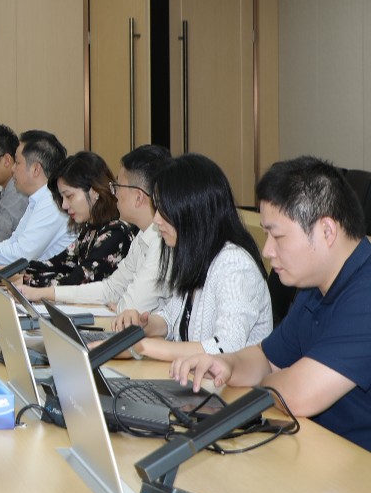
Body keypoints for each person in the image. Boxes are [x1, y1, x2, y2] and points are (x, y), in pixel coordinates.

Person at [172, 157, 371, 472]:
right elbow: (266, 358)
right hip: (336, 460)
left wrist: (264, 381)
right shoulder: (315, 289)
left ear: (326, 231)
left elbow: (296, 396)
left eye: (278, 236)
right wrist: (227, 363)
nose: (267, 250)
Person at [114, 153, 271, 360]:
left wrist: (144, 347)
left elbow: (226, 347)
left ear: (192, 211)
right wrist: (145, 324)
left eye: (164, 209)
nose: (156, 219)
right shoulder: (196, 255)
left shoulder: (234, 265)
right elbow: (172, 317)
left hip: (232, 381)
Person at [19, 144, 173, 313]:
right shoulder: (142, 237)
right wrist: (44, 293)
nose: (114, 193)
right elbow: (110, 289)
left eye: (118, 187)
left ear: (138, 197)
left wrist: (118, 305)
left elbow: (131, 307)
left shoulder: (160, 244)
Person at [10, 151, 135, 289]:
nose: (64, 205)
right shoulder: (90, 229)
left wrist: (27, 280)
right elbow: (57, 264)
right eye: (62, 197)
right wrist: (12, 271)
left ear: (94, 191)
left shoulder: (117, 233)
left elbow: (76, 282)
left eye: (69, 196)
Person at [0, 129, 73, 267]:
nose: (12, 169)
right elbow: (13, 243)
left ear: (36, 169)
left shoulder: (52, 202)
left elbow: (21, 254)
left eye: (17, 162)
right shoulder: (37, 199)